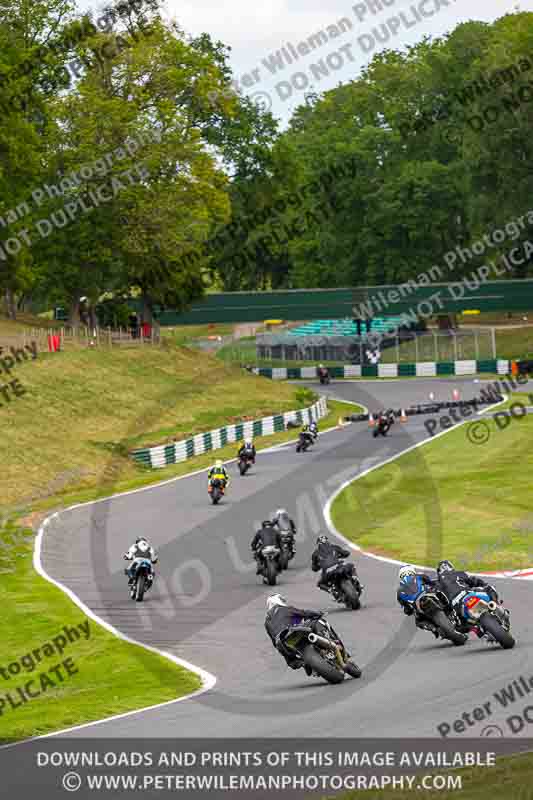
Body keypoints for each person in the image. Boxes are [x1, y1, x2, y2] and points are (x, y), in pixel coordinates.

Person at [264, 594, 322, 673]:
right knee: (314, 622)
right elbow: (304, 613)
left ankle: (303, 663)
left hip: (281, 642)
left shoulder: (267, 622)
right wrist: (318, 613)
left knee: (291, 661)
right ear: (278, 601)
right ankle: (322, 640)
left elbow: (273, 639)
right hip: (292, 631)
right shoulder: (284, 609)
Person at [396, 564, 440, 636]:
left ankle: (432, 628)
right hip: (428, 597)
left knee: (418, 621)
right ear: (412, 571)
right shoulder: (419, 576)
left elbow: (407, 610)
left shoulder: (399, 591)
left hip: (419, 605)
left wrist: (410, 609)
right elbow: (432, 582)